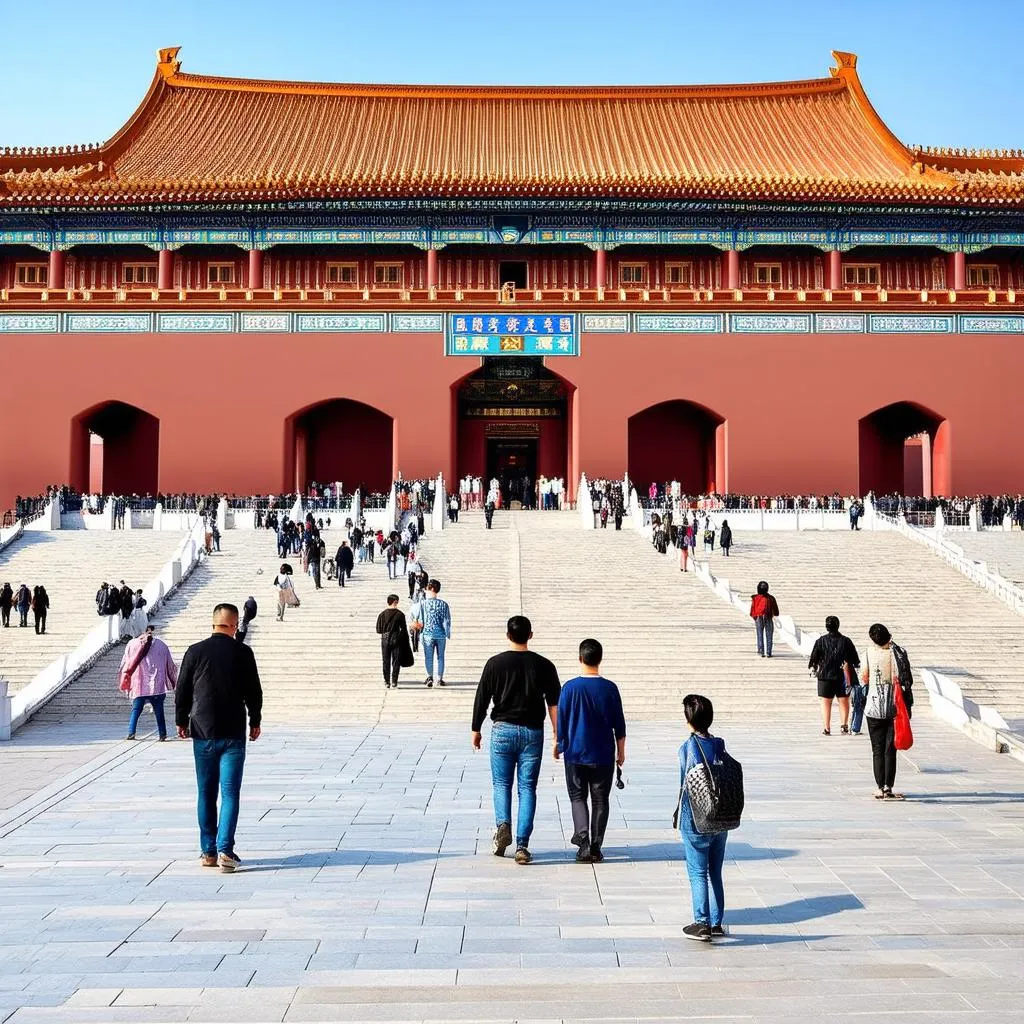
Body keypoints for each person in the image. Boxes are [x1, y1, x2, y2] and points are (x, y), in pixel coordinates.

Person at [175, 603, 263, 872]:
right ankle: (225, 850)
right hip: (233, 733)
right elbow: (254, 691)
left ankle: (208, 852)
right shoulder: (243, 652)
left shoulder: (195, 651)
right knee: (230, 793)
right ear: (235, 624)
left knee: (206, 793)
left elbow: (182, 690)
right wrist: (255, 720)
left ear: (214, 623)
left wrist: (181, 721)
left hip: (202, 731)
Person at [472, 615, 561, 865]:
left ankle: (503, 825)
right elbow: (554, 704)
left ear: (508, 635)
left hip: (502, 729)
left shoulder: (495, 663)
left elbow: (482, 696)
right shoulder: (544, 665)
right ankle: (522, 845)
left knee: (501, 784)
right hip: (532, 732)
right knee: (527, 788)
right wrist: (557, 734)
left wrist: (476, 728)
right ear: (530, 635)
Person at [555, 638, 626, 864]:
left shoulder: (569, 688)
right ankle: (596, 846)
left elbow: (562, 722)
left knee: (577, 797)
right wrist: (620, 752)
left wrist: (558, 744)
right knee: (600, 799)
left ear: (580, 658)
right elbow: (620, 725)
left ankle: (583, 841)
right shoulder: (610, 688)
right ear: (600, 659)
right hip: (603, 754)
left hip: (575, 753)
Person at [678, 694, 728, 942]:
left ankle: (702, 923)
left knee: (697, 871)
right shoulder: (719, 744)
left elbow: (683, 785)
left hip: (696, 819)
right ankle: (717, 922)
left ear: (689, 721)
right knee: (715, 871)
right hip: (721, 816)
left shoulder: (687, 748)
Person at [860, 623, 913, 800]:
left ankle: (879, 787)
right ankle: (888, 787)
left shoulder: (868, 653)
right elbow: (906, 679)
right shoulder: (898, 653)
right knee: (890, 749)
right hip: (894, 708)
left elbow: (864, 678)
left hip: (873, 708)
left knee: (877, 749)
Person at [121, 625, 178, 741]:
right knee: (159, 712)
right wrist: (173, 680)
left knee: (136, 710)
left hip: (139, 684)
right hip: (157, 685)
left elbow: (126, 663)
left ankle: (131, 733)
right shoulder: (162, 645)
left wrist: (125, 679)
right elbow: (170, 665)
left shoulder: (132, 644)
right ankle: (162, 734)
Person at [807, 616, 860, 736]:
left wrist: (812, 667)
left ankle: (827, 728)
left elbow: (814, 657)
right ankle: (844, 726)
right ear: (838, 625)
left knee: (825, 702)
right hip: (842, 675)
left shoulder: (820, 641)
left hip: (825, 676)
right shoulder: (846, 641)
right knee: (843, 700)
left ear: (827, 626)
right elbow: (855, 659)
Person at [413, 578, 451, 688]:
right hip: (441, 634)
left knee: (428, 657)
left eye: (427, 588)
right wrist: (447, 633)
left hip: (427, 634)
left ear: (431, 589)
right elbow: (447, 621)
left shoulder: (423, 604)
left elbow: (420, 619)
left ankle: (430, 677)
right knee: (441, 657)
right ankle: (439, 678)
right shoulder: (444, 604)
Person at [376, 594, 411, 689]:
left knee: (385, 660)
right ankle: (394, 681)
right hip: (397, 639)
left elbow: (378, 630)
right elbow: (404, 629)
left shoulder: (382, 614)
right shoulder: (400, 614)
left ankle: (387, 681)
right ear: (395, 602)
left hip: (385, 639)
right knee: (396, 660)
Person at [749, 581, 780, 657]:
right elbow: (776, 611)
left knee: (760, 634)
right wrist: (775, 614)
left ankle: (761, 651)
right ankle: (768, 652)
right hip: (768, 616)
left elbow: (753, 609)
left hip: (758, 617)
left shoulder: (755, 598)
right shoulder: (771, 598)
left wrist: (754, 616)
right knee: (769, 635)